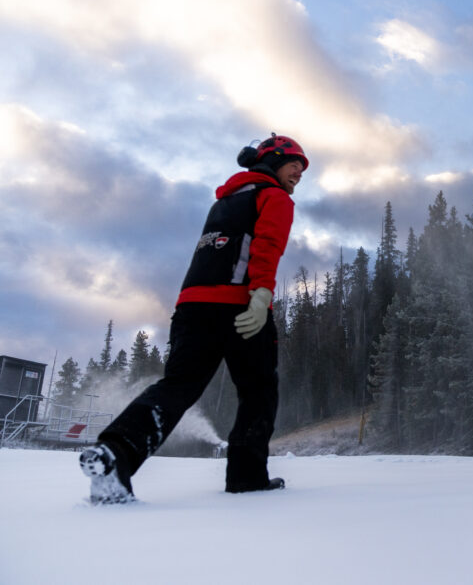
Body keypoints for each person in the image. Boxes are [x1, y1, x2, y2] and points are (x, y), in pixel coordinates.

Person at [79, 134, 308, 504]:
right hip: (240, 307)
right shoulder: (273, 196)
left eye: (303, 166)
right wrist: (261, 294)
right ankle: (247, 479)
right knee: (258, 391)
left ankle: (116, 453)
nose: (300, 170)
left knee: (177, 387)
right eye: (294, 161)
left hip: (191, 307)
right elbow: (267, 245)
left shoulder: (224, 201)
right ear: (272, 160)